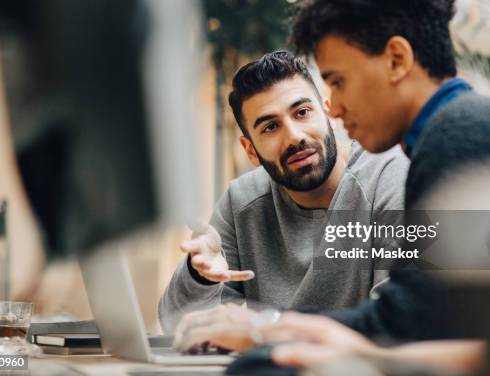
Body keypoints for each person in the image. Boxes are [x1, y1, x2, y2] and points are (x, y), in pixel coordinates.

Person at [172, 0, 490, 373]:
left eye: (338, 82)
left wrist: (264, 327)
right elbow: (429, 321)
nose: (334, 108)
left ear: (396, 60)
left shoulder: (464, 136)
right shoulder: (462, 127)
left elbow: (407, 325)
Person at [158, 51, 409, 333]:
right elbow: (175, 326)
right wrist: (199, 277)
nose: (294, 136)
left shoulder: (392, 177)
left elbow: (402, 320)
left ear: (327, 113)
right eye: (271, 127)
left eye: (302, 113)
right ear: (250, 150)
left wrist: (264, 330)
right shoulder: (241, 201)